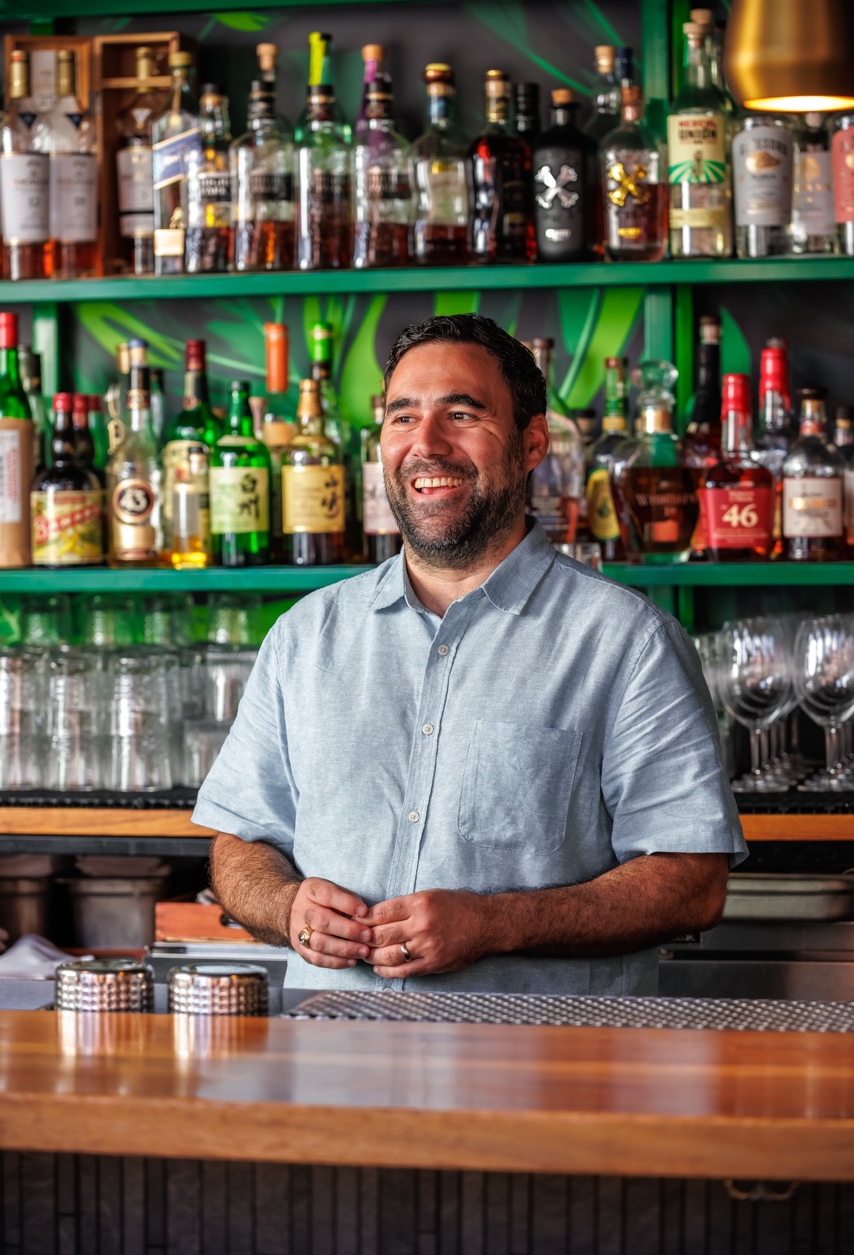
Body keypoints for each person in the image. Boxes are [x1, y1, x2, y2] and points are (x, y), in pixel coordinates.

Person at [194, 313, 746, 996]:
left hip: (544, 1080)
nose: (425, 444)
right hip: (332, 1070)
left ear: (532, 440)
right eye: (402, 417)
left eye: (461, 414)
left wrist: (495, 923)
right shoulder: (306, 636)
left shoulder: (627, 642)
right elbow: (239, 844)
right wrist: (287, 907)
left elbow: (692, 884)